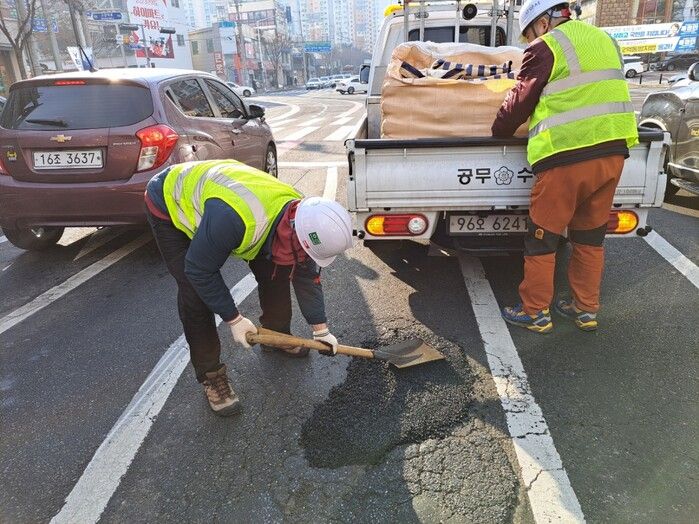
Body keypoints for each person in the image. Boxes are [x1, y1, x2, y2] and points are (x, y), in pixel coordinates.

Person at [144, 159, 354, 416]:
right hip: (170, 202)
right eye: (303, 251)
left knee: (277, 268)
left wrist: (321, 330)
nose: (305, 258)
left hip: (232, 205)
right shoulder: (235, 220)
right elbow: (199, 270)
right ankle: (211, 375)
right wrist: (234, 319)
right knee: (195, 293)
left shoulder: (305, 218)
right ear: (292, 232)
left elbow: (306, 275)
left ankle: (276, 336)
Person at [492, 1, 638, 333]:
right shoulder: (606, 40)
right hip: (613, 152)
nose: (530, 40)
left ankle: (535, 313)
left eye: (529, 33)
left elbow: (520, 100)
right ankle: (585, 309)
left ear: (543, 23)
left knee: (542, 238)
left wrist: (497, 131)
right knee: (590, 236)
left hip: (567, 156)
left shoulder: (546, 47)